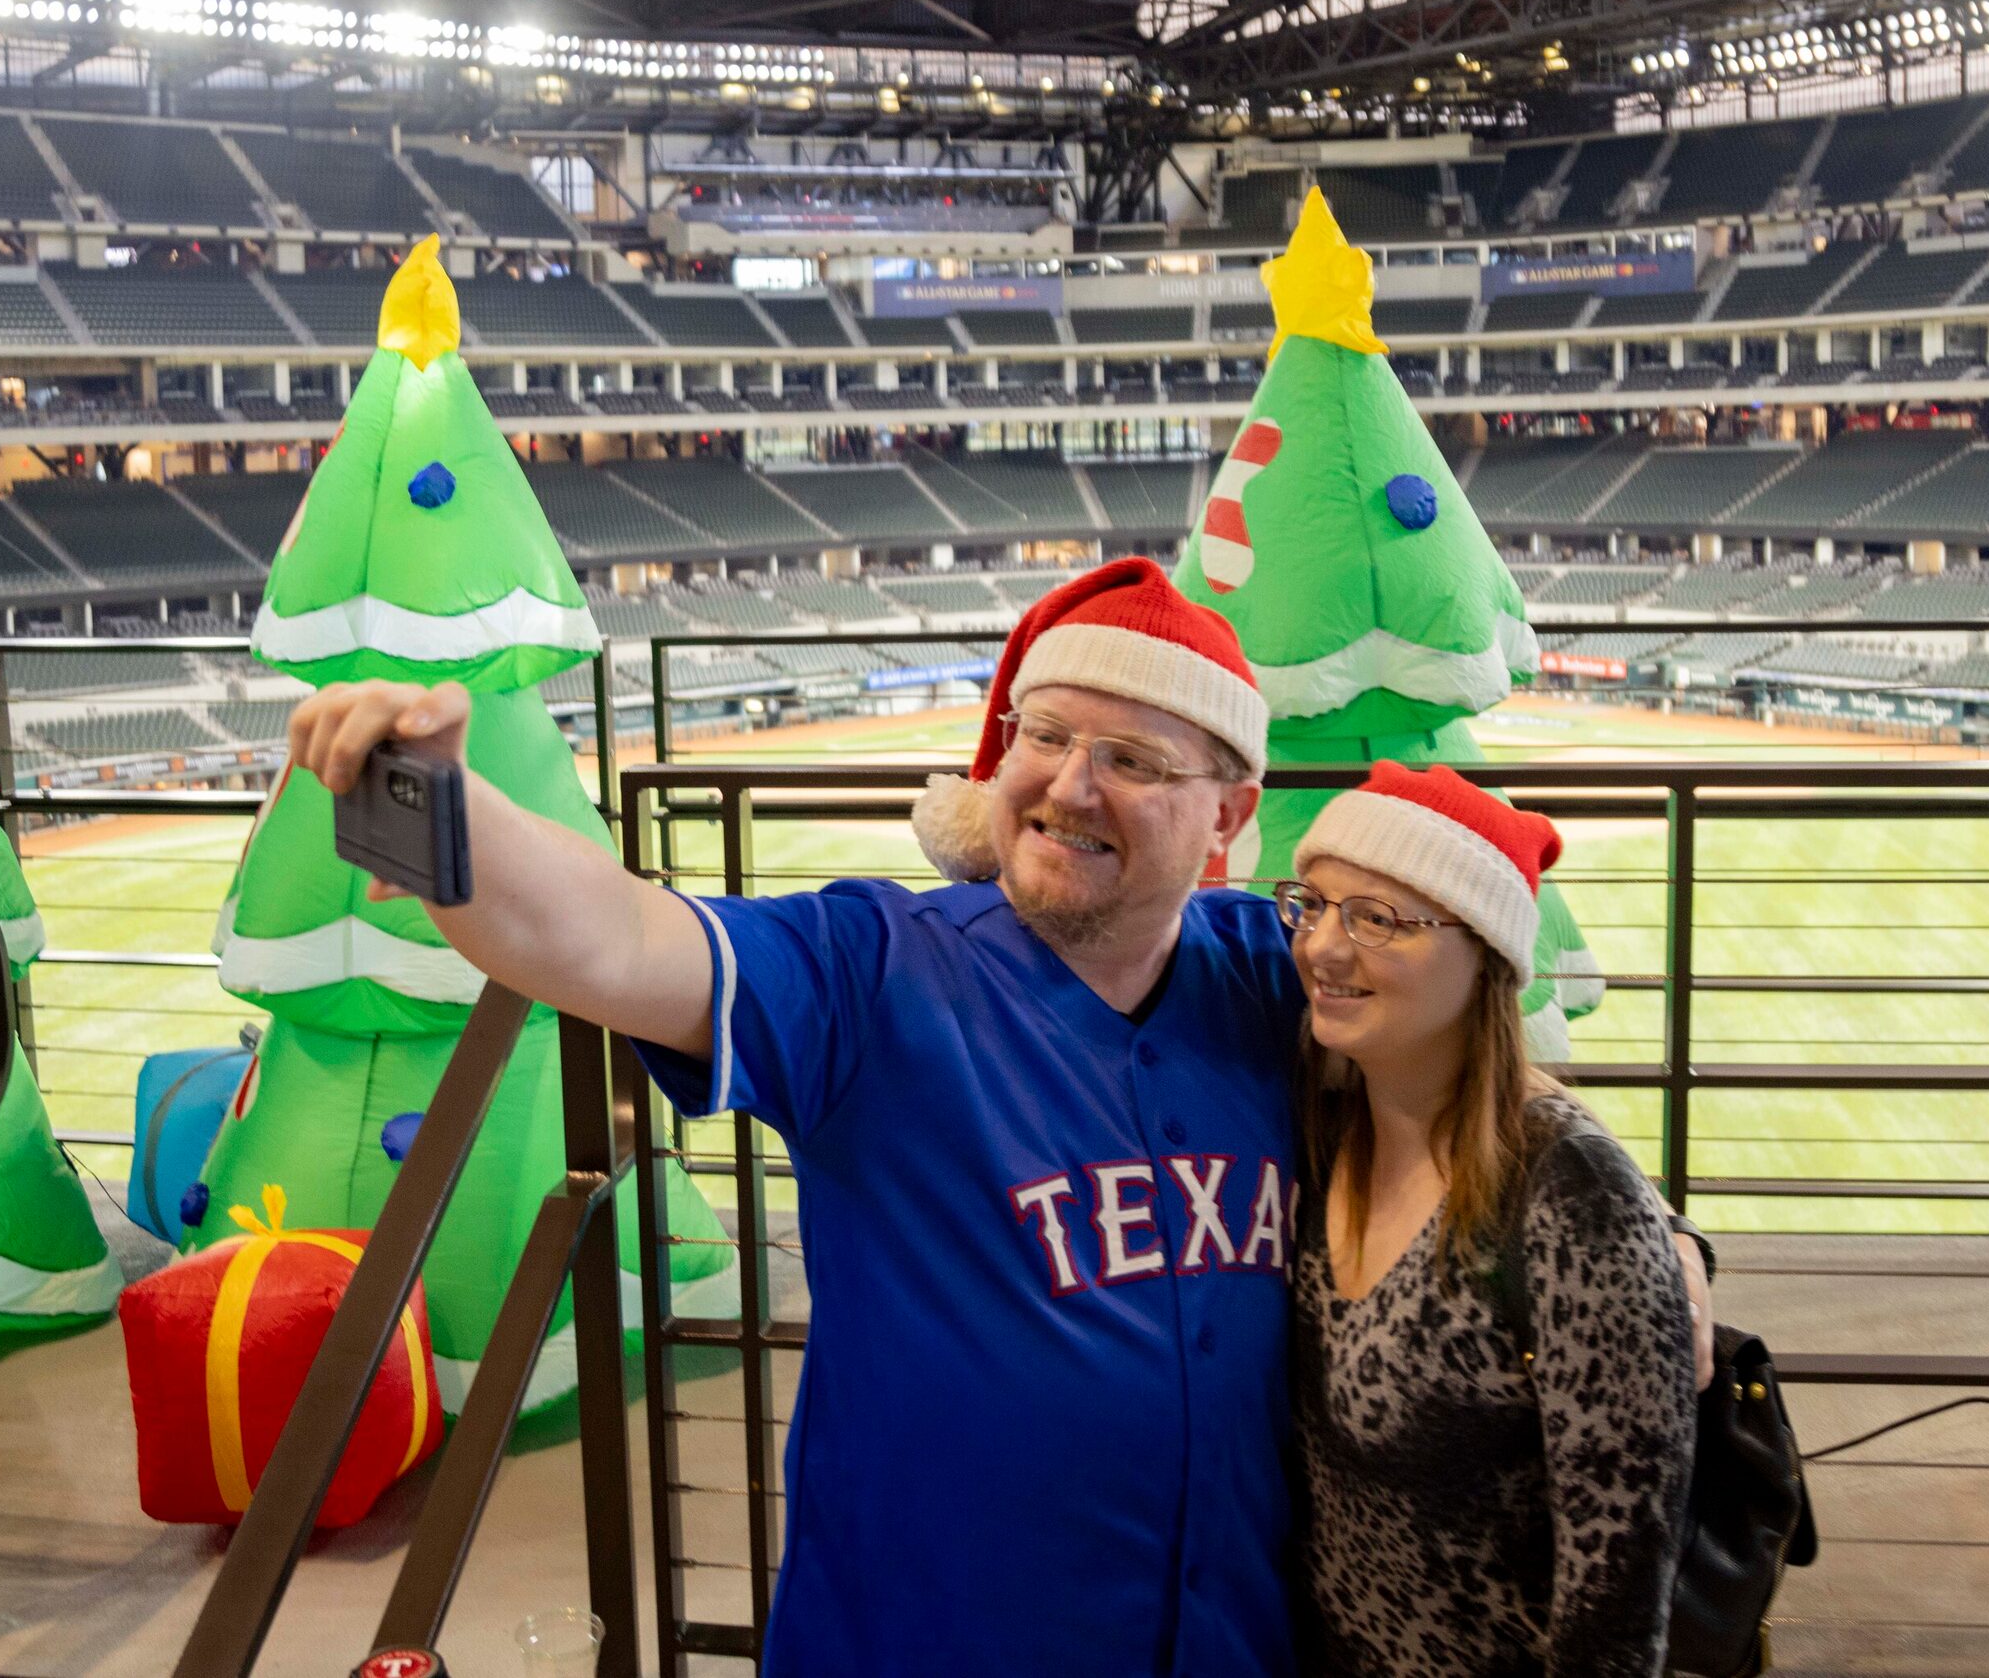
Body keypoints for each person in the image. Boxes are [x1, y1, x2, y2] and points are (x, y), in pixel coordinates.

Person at [287, 559, 1714, 1675]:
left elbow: (1465, 1064)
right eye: (1044, 734)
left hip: (1237, 1649)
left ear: (1228, 818)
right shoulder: (867, 972)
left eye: (1136, 761)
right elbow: (608, 941)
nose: (1068, 783)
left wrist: (1650, 1246)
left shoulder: (1263, 973)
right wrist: (439, 804)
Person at [1275, 763, 1702, 1678]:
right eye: (1313, 904)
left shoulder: (1566, 1191)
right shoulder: (1315, 1119)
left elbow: (1618, 1600)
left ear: (1489, 960)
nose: (1323, 947)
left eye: (1379, 918)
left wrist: (1664, 1236)